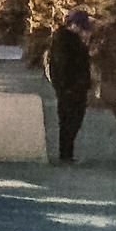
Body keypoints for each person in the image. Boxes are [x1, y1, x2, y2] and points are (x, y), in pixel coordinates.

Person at [45, 10, 93, 163]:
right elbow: (63, 66)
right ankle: (66, 154)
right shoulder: (65, 41)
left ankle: (67, 153)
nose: (83, 30)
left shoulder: (69, 39)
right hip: (70, 88)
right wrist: (67, 87)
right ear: (73, 25)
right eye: (81, 27)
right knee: (70, 120)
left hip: (72, 87)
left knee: (71, 120)